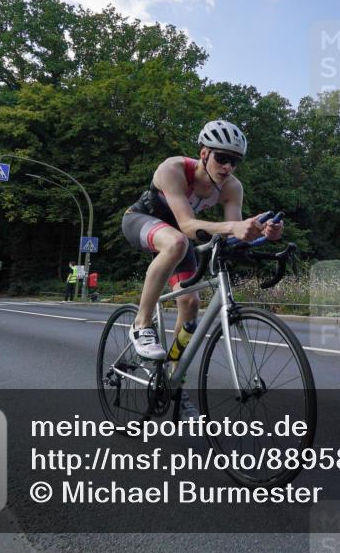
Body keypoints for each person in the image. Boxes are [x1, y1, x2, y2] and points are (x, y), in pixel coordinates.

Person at [121, 120, 283, 416]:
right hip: (141, 220)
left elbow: (234, 233)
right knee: (177, 241)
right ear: (204, 153)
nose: (228, 167)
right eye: (222, 158)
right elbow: (186, 225)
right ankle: (141, 324)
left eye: (234, 161)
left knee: (191, 302)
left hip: (180, 239)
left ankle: (173, 381)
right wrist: (234, 227)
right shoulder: (173, 169)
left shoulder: (232, 187)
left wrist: (261, 231)